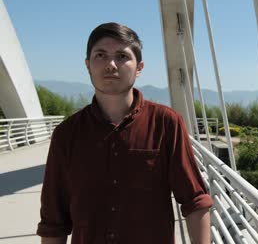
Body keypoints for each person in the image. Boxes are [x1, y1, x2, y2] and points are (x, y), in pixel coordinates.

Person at [37, 22, 212, 244]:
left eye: (122, 56)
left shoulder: (166, 124)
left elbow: (195, 200)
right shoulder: (66, 134)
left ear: (139, 67)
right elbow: (54, 220)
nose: (111, 64)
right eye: (100, 55)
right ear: (87, 65)